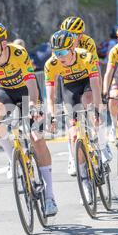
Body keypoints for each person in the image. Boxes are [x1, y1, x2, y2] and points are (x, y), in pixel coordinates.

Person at [0, 21, 58, 217]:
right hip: (4, 91)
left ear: (3, 44)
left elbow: (31, 83)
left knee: (37, 140)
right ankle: (11, 157)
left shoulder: (18, 53)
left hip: (25, 92)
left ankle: (49, 196)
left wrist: (34, 107)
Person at [44, 29, 108, 203]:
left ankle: (101, 146)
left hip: (87, 82)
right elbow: (50, 96)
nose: (60, 56)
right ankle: (85, 182)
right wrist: (52, 116)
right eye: (56, 53)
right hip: (70, 88)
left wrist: (96, 109)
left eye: (63, 52)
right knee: (73, 135)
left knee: (89, 101)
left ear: (72, 48)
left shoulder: (86, 56)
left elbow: (95, 85)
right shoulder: (51, 64)